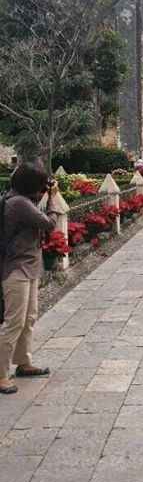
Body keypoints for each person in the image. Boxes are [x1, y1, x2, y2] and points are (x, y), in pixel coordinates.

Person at [0, 163, 58, 395]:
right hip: (16, 269)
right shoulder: (19, 203)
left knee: (29, 318)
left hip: (29, 267)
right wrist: (52, 199)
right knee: (14, 322)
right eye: (41, 183)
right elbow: (49, 224)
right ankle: (1, 374)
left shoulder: (22, 199)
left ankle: (23, 362)